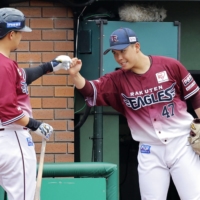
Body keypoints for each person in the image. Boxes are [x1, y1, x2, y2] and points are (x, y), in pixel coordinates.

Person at [65, 27, 200, 199]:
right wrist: (76, 76)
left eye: (123, 51)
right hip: (149, 149)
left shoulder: (169, 65)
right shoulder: (117, 79)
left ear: (136, 46)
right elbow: (91, 90)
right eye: (115, 53)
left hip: (181, 144)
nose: (119, 57)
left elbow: (195, 96)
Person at [0, 7, 70, 200]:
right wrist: (35, 125)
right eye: (20, 33)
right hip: (10, 138)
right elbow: (6, 110)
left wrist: (49, 66)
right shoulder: (4, 64)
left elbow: (22, 77)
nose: (21, 37)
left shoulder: (7, 66)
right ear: (11, 34)